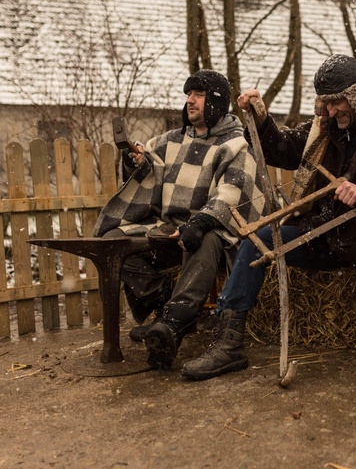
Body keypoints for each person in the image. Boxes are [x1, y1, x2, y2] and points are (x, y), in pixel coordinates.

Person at [182, 54, 356, 407]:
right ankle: (228, 344)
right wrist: (260, 119)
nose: (329, 110)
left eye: (337, 102)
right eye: (324, 102)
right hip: (323, 235)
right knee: (260, 240)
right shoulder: (323, 127)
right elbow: (281, 148)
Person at [93, 69, 264, 370]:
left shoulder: (235, 144)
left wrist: (200, 223)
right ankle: (160, 306)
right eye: (188, 94)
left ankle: (174, 324)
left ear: (215, 101)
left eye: (198, 94)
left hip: (204, 231)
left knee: (209, 237)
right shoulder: (168, 140)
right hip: (166, 229)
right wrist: (137, 162)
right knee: (112, 242)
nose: (190, 101)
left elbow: (233, 190)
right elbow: (150, 175)